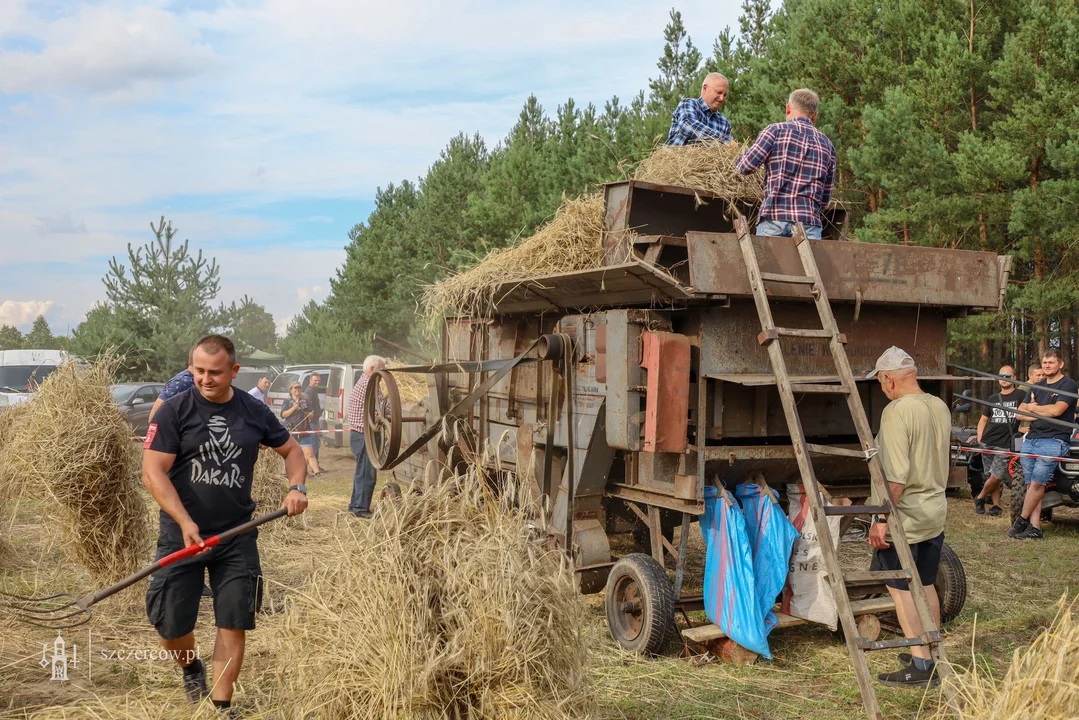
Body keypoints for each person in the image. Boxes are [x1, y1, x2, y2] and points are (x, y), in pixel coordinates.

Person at [142, 335, 308, 716]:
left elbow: (292, 450)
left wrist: (296, 486)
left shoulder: (252, 410)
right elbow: (152, 472)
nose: (205, 379)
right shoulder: (174, 411)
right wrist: (184, 521)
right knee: (169, 623)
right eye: (198, 370)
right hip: (181, 534)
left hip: (235, 535)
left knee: (233, 617)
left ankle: (221, 704)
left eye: (215, 372)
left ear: (234, 371)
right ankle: (190, 667)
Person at [865, 346, 951, 688]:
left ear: (888, 379)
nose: (882, 389)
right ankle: (932, 649)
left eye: (881, 382)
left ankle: (920, 665)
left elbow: (896, 478)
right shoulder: (938, 406)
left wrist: (881, 520)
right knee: (926, 583)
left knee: (901, 591)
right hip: (934, 511)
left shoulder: (897, 411)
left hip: (905, 518)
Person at [735, 88, 837, 239]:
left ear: (788, 108)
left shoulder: (775, 131)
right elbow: (825, 198)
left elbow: (745, 166)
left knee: (769, 263)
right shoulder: (827, 145)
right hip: (809, 224)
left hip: (774, 219)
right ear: (814, 116)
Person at [1008, 349, 1077, 540]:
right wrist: (1034, 409)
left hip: (1054, 440)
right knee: (1030, 484)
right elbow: (1019, 414)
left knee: (1038, 482)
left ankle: (1021, 521)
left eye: (1051, 362)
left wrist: (1033, 409)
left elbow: (1057, 410)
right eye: (1045, 362)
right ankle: (1035, 527)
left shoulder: (1068, 385)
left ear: (1060, 364)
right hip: (1031, 439)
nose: (1047, 366)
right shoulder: (1037, 386)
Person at [973, 365, 1024, 516]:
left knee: (997, 475)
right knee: (991, 475)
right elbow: (983, 419)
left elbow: (1028, 410)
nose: (1003, 379)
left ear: (1014, 378)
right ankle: (995, 506)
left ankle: (980, 497)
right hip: (988, 441)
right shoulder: (993, 398)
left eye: (1007, 376)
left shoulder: (1020, 395)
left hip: (1006, 443)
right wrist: (980, 437)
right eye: (1001, 376)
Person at [346, 355, 385, 518]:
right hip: (365, 436)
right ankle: (360, 509)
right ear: (372, 369)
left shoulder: (365, 383)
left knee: (361, 471)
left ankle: (355, 505)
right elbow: (383, 409)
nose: (384, 375)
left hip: (359, 435)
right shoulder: (369, 385)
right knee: (366, 473)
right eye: (382, 369)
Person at [665, 72, 732, 146]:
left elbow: (730, 149)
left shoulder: (724, 123)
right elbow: (688, 125)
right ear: (705, 88)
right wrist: (724, 140)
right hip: (676, 157)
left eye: (725, 95)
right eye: (719, 92)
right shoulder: (688, 104)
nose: (722, 98)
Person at [280, 381, 321, 476]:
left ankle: (317, 473)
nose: (297, 390)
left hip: (304, 430)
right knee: (289, 454)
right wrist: (294, 407)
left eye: (299, 388)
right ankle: (285, 473)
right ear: (291, 390)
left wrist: (308, 413)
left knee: (309, 454)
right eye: (295, 388)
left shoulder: (306, 401)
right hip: (291, 430)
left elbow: (312, 415)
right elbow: (283, 415)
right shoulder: (287, 401)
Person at [1016, 364, 1045, 435]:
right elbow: (1015, 408)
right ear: (1030, 375)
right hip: (1026, 428)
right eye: (1038, 375)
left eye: (1043, 375)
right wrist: (1019, 428)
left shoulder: (1042, 387)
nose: (1041, 377)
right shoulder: (1023, 389)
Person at [303, 374, 324, 463]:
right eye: (315, 380)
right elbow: (307, 408)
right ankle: (315, 466)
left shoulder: (312, 391)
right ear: (310, 380)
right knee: (315, 444)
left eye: (318, 380)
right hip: (312, 422)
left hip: (314, 421)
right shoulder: (310, 392)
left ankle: (314, 465)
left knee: (315, 443)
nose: (317, 382)